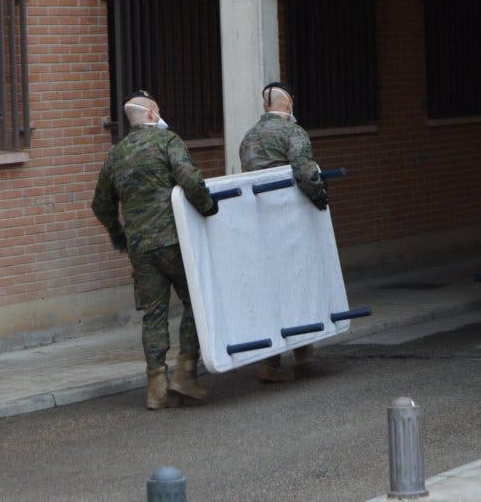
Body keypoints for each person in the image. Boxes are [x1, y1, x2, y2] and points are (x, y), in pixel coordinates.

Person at [91, 91, 218, 410]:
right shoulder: (167, 141)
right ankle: (185, 373)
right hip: (175, 241)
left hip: (140, 248)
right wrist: (208, 207)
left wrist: (117, 232)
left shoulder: (115, 155)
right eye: (158, 111)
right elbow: (189, 178)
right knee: (195, 302)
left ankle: (156, 385)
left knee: (154, 313)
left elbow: (100, 204)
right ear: (150, 116)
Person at [238, 81, 328, 382]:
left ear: (266, 107)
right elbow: (305, 171)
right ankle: (303, 356)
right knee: (296, 284)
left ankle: (270, 363)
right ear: (288, 105)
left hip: (260, 225)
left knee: (269, 290)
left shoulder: (248, 137)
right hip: (290, 222)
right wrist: (318, 196)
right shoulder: (293, 132)